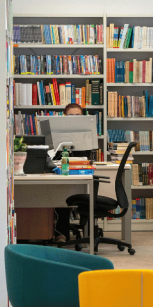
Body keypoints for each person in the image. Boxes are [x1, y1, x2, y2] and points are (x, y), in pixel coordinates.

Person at [54, 103, 91, 243]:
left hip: (81, 175)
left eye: (78, 116)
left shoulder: (87, 134)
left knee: (73, 193)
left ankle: (85, 231)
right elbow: (55, 157)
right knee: (61, 194)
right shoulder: (57, 134)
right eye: (71, 116)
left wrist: (77, 138)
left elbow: (85, 156)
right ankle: (61, 233)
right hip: (62, 174)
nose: (74, 119)